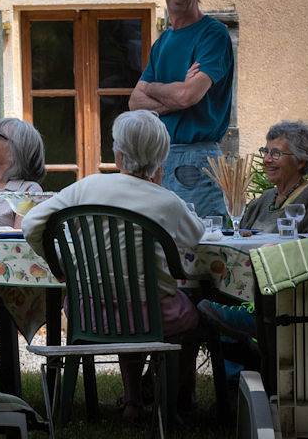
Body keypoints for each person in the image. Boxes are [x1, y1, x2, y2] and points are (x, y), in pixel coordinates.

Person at [22, 110, 205, 420]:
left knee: (124, 302)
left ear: (118, 153)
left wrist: (59, 265)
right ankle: (175, 402)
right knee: (191, 316)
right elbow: (195, 235)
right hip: (152, 315)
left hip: (91, 311)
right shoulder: (167, 201)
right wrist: (159, 190)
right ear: (161, 158)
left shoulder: (85, 187)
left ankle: (134, 401)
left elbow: (31, 223)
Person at [198, 120, 308, 343]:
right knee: (200, 288)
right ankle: (232, 368)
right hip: (243, 282)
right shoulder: (266, 198)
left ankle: (252, 319)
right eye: (266, 151)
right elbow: (241, 233)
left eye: (276, 153)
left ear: (300, 161)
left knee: (208, 302)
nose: (267, 159)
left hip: (284, 289)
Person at [129, 0, 233, 220]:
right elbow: (134, 102)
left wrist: (153, 88)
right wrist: (171, 93)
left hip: (196, 161)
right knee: (163, 242)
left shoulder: (213, 35)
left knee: (202, 242)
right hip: (160, 159)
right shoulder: (163, 42)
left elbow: (189, 96)